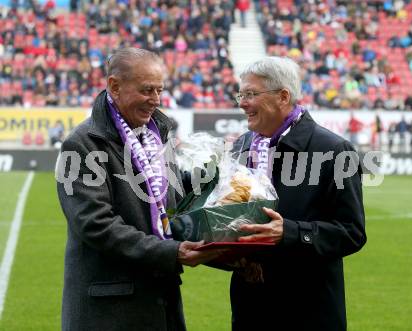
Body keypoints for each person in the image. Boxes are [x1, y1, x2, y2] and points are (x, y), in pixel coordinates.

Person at [56, 48, 223, 331]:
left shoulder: (157, 132)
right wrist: (171, 253)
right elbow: (96, 224)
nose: (156, 100)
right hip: (110, 310)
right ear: (115, 86)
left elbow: (166, 196)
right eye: (147, 90)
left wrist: (214, 178)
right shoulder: (82, 144)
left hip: (161, 301)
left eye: (159, 90)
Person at [225, 57, 366, 331]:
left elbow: (352, 233)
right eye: (241, 94)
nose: (242, 102)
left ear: (283, 96)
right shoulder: (240, 147)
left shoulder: (334, 150)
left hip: (308, 311)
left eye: (251, 94)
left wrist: (288, 233)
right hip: (249, 309)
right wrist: (233, 253)